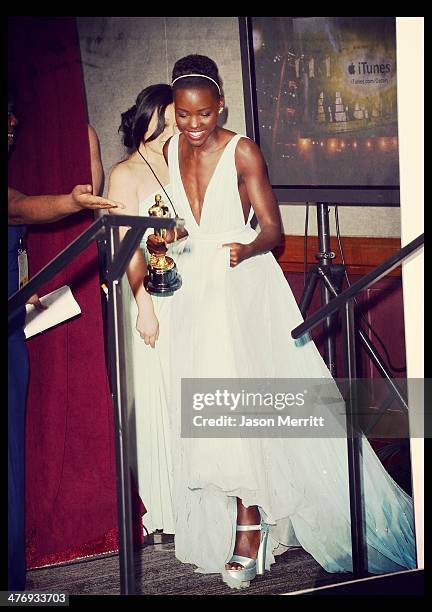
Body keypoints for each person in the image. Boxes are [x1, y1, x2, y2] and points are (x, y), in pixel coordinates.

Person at [144, 54, 416, 589]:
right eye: (183, 114)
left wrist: (243, 251)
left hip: (242, 285)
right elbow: (183, 221)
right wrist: (170, 237)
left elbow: (274, 231)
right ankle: (245, 515)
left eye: (203, 114)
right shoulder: (171, 149)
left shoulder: (243, 150)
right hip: (195, 291)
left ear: (221, 105)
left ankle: (252, 522)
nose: (194, 126)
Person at [8, 84, 123, 592]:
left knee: (10, 464)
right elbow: (29, 211)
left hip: (10, 334)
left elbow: (25, 206)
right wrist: (69, 202)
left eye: (13, 114)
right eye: (3, 116)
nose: (12, 124)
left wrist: (23, 298)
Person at [107, 84, 179, 535]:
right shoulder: (124, 173)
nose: (175, 125)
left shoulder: (177, 161)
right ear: (148, 117)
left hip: (185, 288)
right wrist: (144, 306)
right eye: (168, 117)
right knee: (157, 399)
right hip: (149, 296)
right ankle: (163, 510)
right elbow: (126, 245)